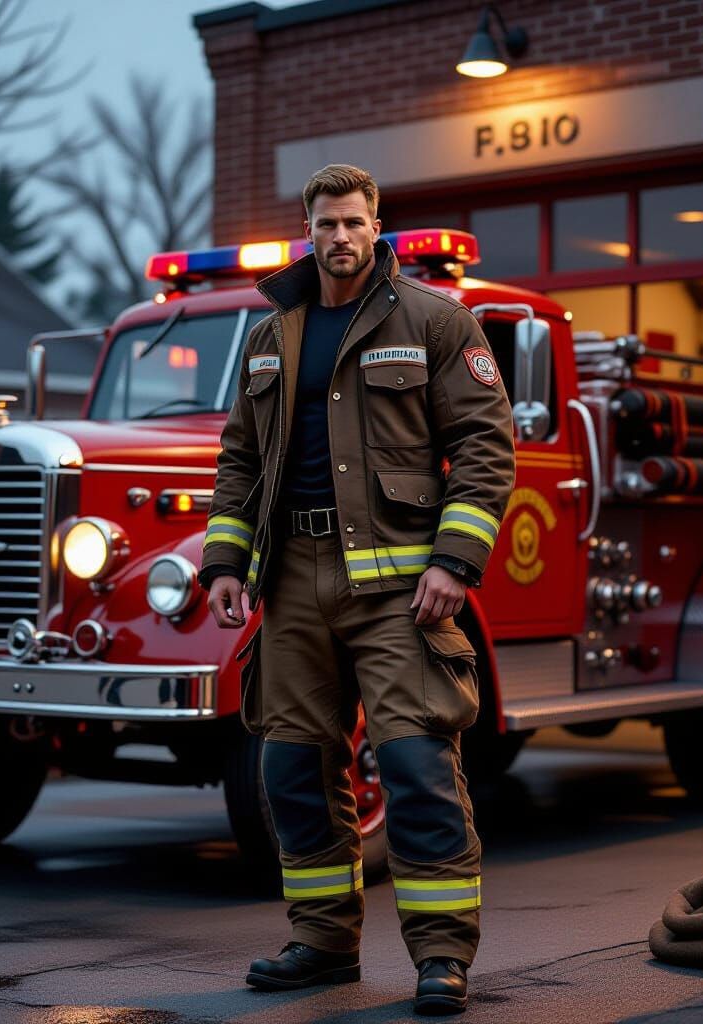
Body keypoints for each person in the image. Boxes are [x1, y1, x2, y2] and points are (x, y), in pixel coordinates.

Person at [200, 163, 514, 1016]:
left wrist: (455, 560)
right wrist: (225, 564)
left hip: (401, 583)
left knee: (415, 761)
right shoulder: (272, 334)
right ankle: (323, 942)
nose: (340, 237)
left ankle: (442, 955)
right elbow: (240, 458)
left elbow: (486, 449)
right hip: (292, 581)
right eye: (326, 223)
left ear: (378, 228)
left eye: (354, 222)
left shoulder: (437, 321)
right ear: (309, 230)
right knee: (293, 766)